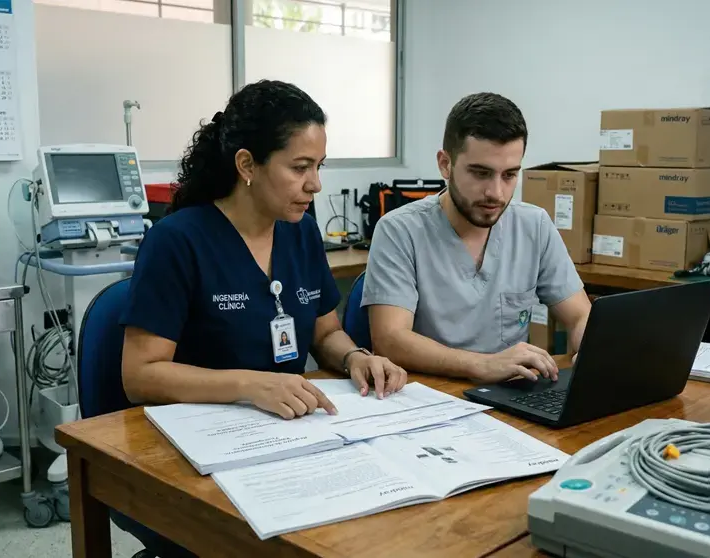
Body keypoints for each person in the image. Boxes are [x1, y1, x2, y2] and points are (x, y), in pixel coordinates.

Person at [121, 80, 407, 427]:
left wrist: (354, 357)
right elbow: (140, 376)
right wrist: (249, 385)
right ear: (246, 165)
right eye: (300, 168)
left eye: (320, 166)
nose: (315, 184)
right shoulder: (176, 241)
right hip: (203, 429)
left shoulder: (301, 232)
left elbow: (325, 333)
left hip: (287, 423)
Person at [362, 92, 591, 384]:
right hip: (431, 399)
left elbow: (580, 315)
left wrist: (589, 343)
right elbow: (390, 340)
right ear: (445, 164)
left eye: (509, 175)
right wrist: (483, 365)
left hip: (511, 395)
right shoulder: (399, 230)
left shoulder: (534, 226)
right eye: (481, 173)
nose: (496, 192)